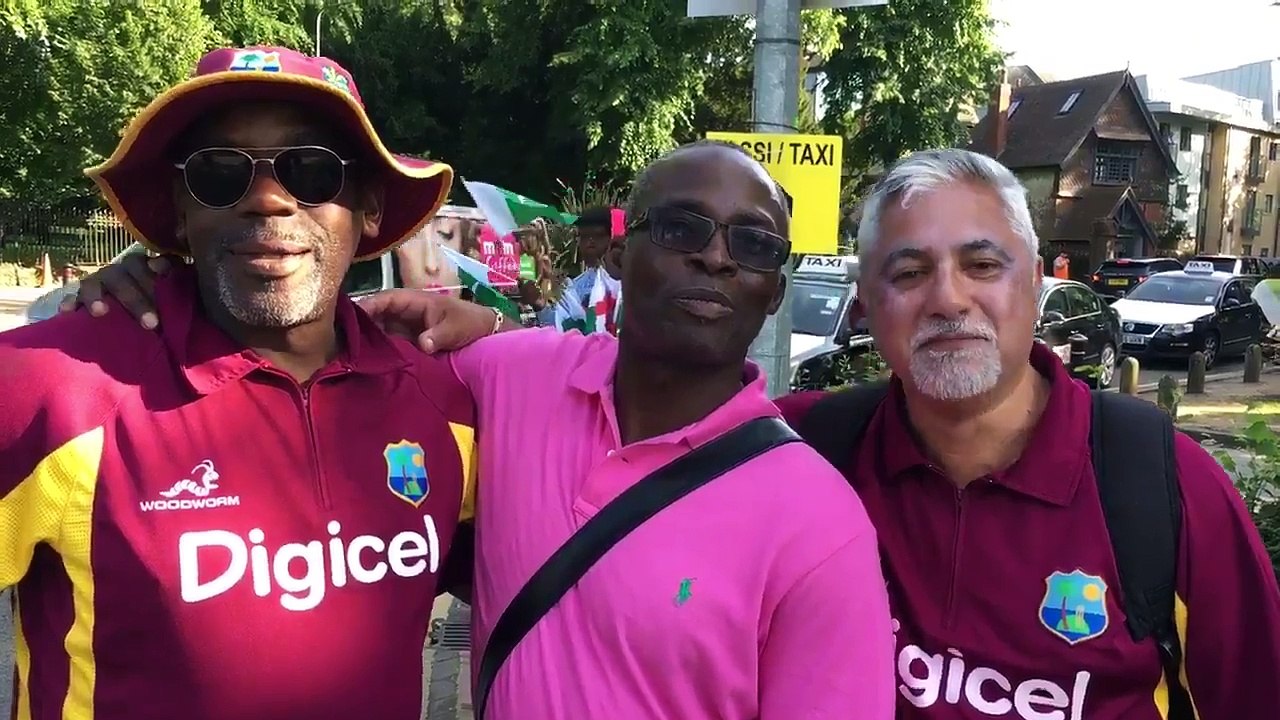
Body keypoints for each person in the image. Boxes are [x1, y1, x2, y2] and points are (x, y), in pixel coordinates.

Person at [65, 140, 897, 719]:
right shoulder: (505, 376)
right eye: (681, 228)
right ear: (618, 255)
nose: (716, 258)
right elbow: (297, 337)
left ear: (772, 288)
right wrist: (165, 286)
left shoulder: (818, 523)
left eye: (753, 244)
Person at [0, 46, 476, 720]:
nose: (268, 197)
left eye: (312, 170)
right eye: (219, 173)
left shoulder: (449, 403)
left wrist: (499, 333)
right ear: (179, 211)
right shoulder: (47, 385)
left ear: (369, 207)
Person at [777, 149, 1279, 718]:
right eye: (910, 273)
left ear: (1035, 284)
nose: (947, 299)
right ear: (865, 304)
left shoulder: (1166, 489)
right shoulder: (804, 455)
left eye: (983, 266)